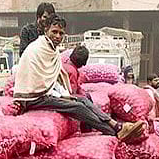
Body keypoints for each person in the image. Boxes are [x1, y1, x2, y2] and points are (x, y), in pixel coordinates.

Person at [13, 15, 145, 142]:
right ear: (46, 30)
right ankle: (115, 132)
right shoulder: (38, 49)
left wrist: (63, 95)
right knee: (77, 107)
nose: (58, 36)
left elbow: (53, 80)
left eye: (61, 33)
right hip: (33, 97)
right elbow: (40, 82)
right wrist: (61, 96)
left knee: (83, 100)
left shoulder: (50, 49)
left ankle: (116, 125)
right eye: (54, 32)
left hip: (45, 93)